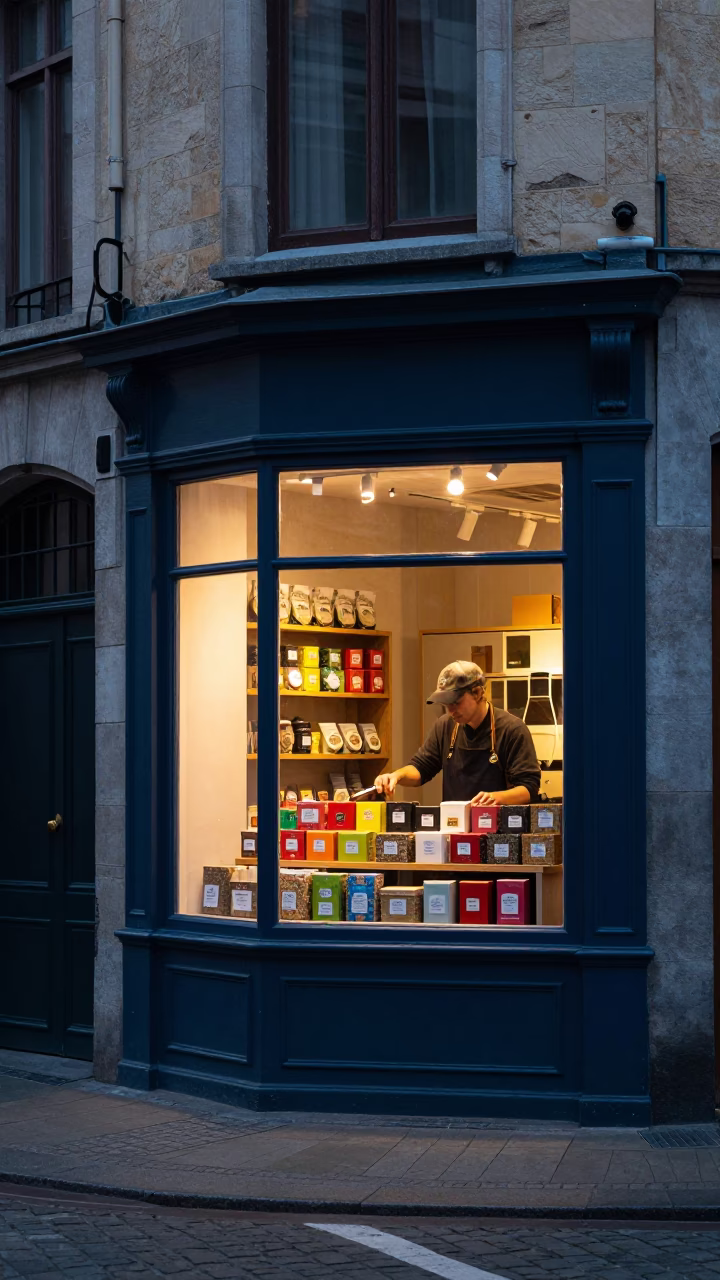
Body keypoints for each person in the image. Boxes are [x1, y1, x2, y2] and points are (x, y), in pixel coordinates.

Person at [374, 660, 541, 806]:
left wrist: (494, 798)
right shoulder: (445, 726)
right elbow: (421, 768)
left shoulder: (512, 730)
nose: (451, 710)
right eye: (446, 704)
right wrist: (396, 776)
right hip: (455, 827)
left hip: (499, 831)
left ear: (477, 693)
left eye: (456, 702)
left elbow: (529, 788)